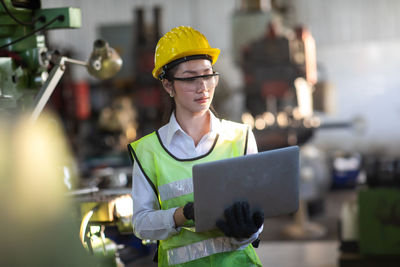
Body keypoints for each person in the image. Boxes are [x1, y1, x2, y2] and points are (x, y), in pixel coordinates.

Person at [128, 26, 264, 266]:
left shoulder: (240, 137)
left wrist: (250, 230)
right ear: (168, 86)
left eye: (208, 75)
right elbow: (141, 225)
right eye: (191, 78)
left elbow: (255, 218)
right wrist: (183, 214)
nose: (203, 87)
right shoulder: (147, 151)